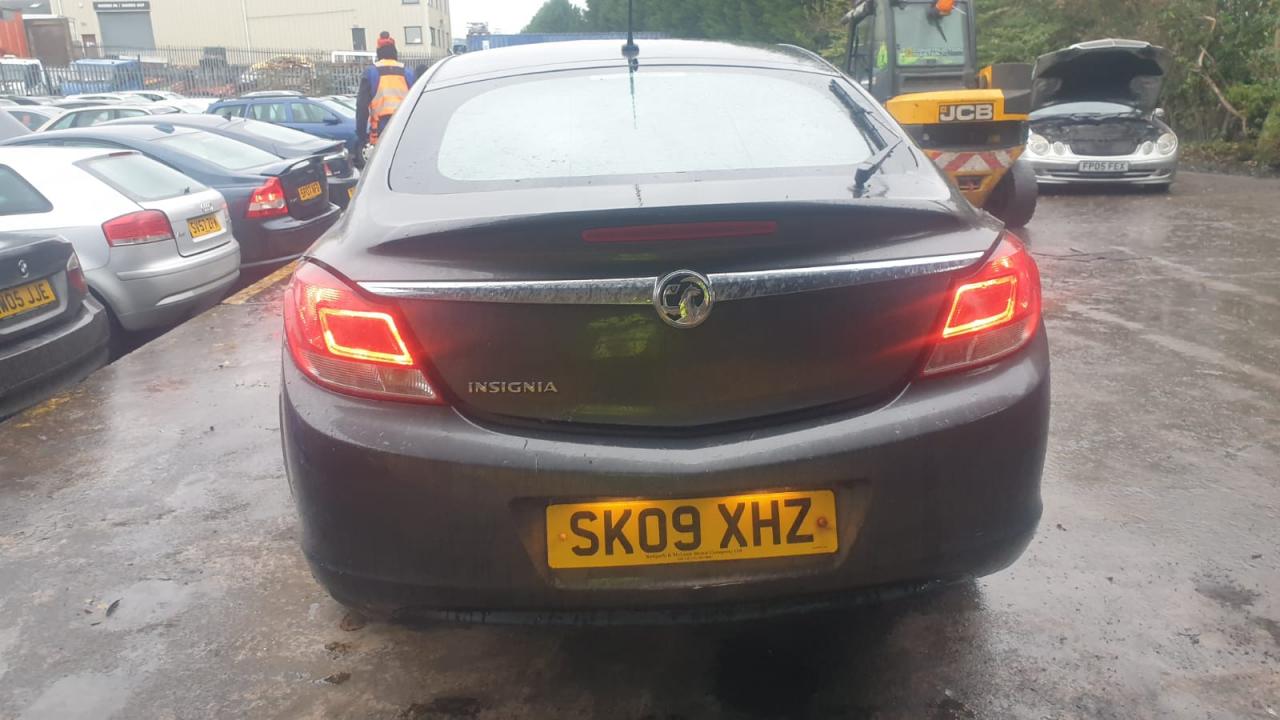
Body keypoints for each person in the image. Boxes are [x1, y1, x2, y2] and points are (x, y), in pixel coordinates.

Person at [355, 32, 416, 166]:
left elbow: (361, 107)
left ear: (378, 53)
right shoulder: (408, 73)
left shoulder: (371, 73)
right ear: (395, 51)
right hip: (405, 128)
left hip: (381, 132)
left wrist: (361, 136)